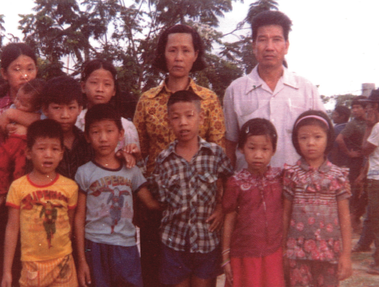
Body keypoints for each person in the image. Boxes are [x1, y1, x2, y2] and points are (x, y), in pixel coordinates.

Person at [133, 24, 226, 287]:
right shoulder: (147, 100)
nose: (178, 57)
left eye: (186, 50)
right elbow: (138, 155)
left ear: (196, 55)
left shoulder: (207, 100)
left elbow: (220, 157)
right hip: (157, 207)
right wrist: (144, 201)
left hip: (200, 210)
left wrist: (220, 205)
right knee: (156, 277)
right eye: (172, 50)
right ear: (163, 53)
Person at [148, 91, 234, 287]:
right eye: (176, 118)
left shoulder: (214, 154)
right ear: (168, 120)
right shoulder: (164, 159)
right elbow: (160, 199)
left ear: (200, 117)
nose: (183, 123)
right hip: (174, 242)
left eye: (189, 115)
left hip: (206, 240)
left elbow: (231, 183)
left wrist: (221, 208)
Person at [223, 10, 324, 171]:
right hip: (250, 189)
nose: (269, 47)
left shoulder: (306, 89)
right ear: (254, 46)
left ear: (286, 46)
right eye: (262, 40)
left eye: (276, 40)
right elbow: (231, 142)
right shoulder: (235, 90)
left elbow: (322, 139)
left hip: (297, 188)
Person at [74, 104, 160, 287]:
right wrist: (82, 261)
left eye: (109, 131)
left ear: (121, 134)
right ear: (87, 137)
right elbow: (79, 218)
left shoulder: (131, 170)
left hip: (126, 246)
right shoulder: (84, 173)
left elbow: (151, 204)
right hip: (95, 245)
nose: (103, 138)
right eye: (96, 132)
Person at [1, 119, 79, 287]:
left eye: (54, 149)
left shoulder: (70, 187)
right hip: (32, 264)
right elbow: (12, 228)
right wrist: (7, 270)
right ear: (29, 152)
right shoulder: (18, 187)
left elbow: (70, 226)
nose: (48, 154)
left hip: (63, 262)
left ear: (61, 153)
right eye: (42, 149)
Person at [0, 43, 38, 287]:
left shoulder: (43, 106)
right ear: (4, 73)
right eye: (17, 69)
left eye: (30, 68)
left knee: (28, 260)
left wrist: (14, 116)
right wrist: (0, 163)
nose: (25, 75)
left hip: (33, 193)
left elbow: (52, 123)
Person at [283, 110, 352, 286]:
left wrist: (346, 255)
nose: (310, 143)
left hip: (330, 253)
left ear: (328, 139)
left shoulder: (338, 175)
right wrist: (283, 249)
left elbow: (345, 217)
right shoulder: (292, 174)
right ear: (296, 141)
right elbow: (285, 214)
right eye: (303, 137)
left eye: (317, 137)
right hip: (297, 253)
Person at [222, 118, 284, 287]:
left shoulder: (281, 178)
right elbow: (229, 219)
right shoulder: (236, 182)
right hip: (243, 255)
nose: (258, 154)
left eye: (265, 149)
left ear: (273, 150)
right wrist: (226, 256)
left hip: (274, 253)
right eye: (252, 148)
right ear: (241, 148)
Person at [0, 79, 45, 208]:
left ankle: (18, 196)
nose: (16, 103)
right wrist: (9, 126)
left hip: (24, 148)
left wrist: (27, 129)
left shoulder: (40, 113)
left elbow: (43, 123)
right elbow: (4, 124)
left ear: (37, 107)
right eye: (17, 98)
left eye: (22, 103)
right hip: (9, 145)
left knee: (20, 171)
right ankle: (1, 192)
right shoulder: (14, 107)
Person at [76, 59, 140, 152]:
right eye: (94, 82)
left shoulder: (126, 127)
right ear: (83, 87)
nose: (100, 89)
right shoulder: (75, 122)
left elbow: (135, 160)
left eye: (107, 84)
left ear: (114, 90)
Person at [335, 97, 367, 230]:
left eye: (358, 107)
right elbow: (339, 139)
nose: (355, 110)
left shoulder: (372, 122)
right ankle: (351, 221)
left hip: (370, 160)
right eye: (353, 108)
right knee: (354, 191)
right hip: (357, 162)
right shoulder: (353, 124)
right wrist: (349, 153)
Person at [360, 90, 379, 274]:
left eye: (372, 104)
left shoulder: (377, 127)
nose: (369, 108)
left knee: (377, 221)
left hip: (377, 179)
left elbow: (365, 149)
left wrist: (368, 125)